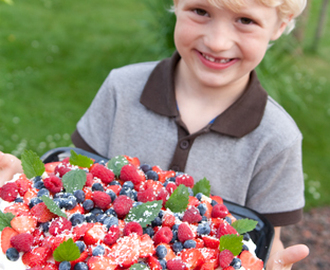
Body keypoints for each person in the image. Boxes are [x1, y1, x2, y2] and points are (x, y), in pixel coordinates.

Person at [0, 0, 309, 268]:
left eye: (245, 20)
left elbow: (264, 236)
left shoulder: (277, 139)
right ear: (176, 4)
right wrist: (23, 184)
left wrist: (273, 263)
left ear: (280, 25)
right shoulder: (121, 89)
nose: (217, 41)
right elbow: (74, 180)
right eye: (200, 11)